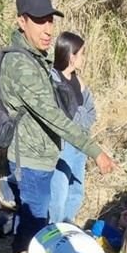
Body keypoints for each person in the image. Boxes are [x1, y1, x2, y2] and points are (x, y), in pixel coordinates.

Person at [0, 0, 117, 253]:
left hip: (41, 156)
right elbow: (55, 117)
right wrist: (95, 152)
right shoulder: (21, 65)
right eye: (40, 20)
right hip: (31, 161)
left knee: (34, 224)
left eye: (50, 19)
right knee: (33, 227)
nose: (48, 29)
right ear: (21, 21)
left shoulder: (35, 58)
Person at [48, 31, 97, 223]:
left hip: (81, 143)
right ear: (71, 56)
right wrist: (79, 115)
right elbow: (63, 119)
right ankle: (52, 234)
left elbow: (91, 113)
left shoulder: (78, 80)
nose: (84, 58)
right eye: (82, 53)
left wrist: (79, 115)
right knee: (58, 197)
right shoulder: (53, 82)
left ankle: (67, 229)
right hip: (63, 146)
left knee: (76, 191)